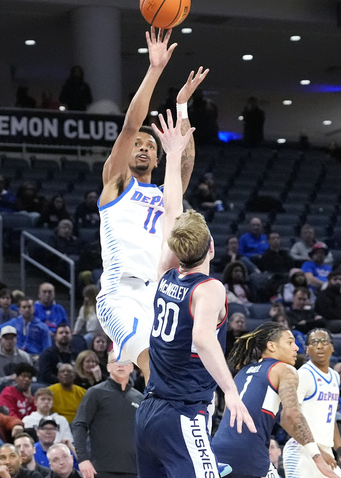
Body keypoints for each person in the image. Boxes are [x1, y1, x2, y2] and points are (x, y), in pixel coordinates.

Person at [135, 110, 256, 477]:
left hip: (148, 415)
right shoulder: (210, 288)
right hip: (183, 414)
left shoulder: (165, 273)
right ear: (213, 248)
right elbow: (203, 338)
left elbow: (171, 208)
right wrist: (232, 392)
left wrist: (173, 156)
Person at [96, 26, 208, 383]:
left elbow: (186, 161)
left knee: (175, 374)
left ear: (158, 160)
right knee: (154, 367)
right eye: (138, 145)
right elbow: (130, 125)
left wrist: (181, 105)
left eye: (151, 146)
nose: (143, 147)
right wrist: (155, 69)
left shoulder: (165, 196)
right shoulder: (116, 184)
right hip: (122, 294)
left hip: (160, 294)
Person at [212, 321, 339, 478]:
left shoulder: (242, 373)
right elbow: (291, 415)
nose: (296, 348)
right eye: (290, 342)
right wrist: (318, 458)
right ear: (271, 346)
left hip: (217, 452)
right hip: (250, 453)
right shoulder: (284, 370)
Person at [73, 349, 143, 478]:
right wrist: (82, 459)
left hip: (134, 469)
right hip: (99, 469)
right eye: (115, 361)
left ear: (132, 367)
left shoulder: (140, 398)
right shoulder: (95, 393)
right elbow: (79, 425)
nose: (120, 364)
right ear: (108, 367)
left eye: (124, 361)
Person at [283, 328, 341, 478]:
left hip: (326, 451)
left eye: (324, 342)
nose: (320, 346)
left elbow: (330, 415)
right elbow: (288, 418)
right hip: (302, 451)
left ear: (332, 347)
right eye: (314, 342)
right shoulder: (303, 375)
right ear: (307, 350)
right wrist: (317, 452)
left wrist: (339, 449)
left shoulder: (335, 376)